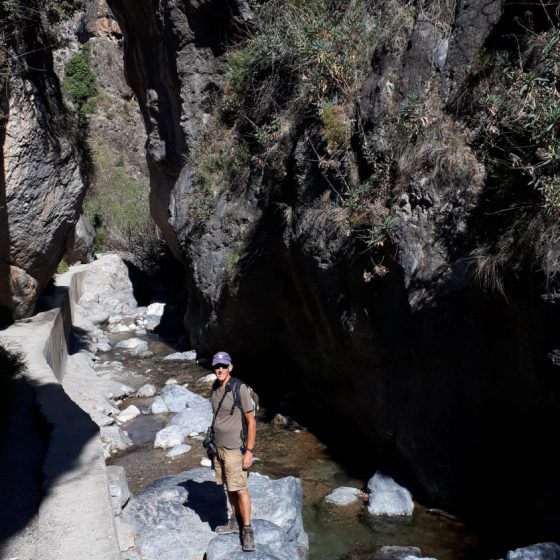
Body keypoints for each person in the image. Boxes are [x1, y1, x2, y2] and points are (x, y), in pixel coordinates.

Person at [210, 351, 256, 552]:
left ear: (230, 367)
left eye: (223, 365)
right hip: (219, 448)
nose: (220, 369)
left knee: (241, 488)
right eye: (216, 366)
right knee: (229, 486)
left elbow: (251, 421)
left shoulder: (239, 388)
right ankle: (234, 521)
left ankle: (247, 530)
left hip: (235, 449)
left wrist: (249, 451)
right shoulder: (215, 388)